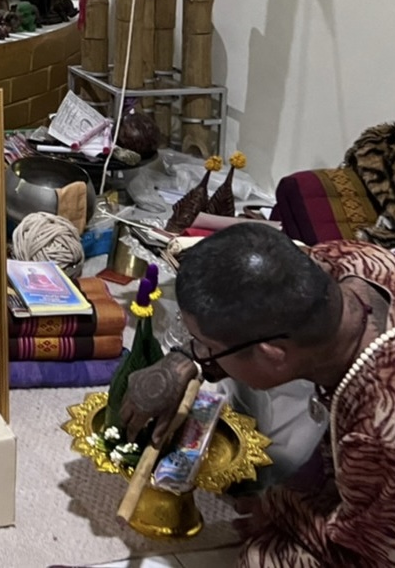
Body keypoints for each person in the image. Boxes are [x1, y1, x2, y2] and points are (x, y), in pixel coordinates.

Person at [121, 222, 395, 567]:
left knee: (261, 559)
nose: (201, 353)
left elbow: (370, 550)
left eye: (208, 346)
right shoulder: (360, 262)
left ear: (272, 354)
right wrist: (183, 360)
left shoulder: (377, 433)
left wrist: (281, 509)